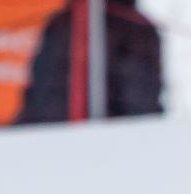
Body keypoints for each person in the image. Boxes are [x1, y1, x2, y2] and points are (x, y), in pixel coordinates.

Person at [17, 0, 165, 125]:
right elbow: (39, 93)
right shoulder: (60, 22)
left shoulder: (136, 27)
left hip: (115, 138)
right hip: (52, 136)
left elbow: (141, 101)